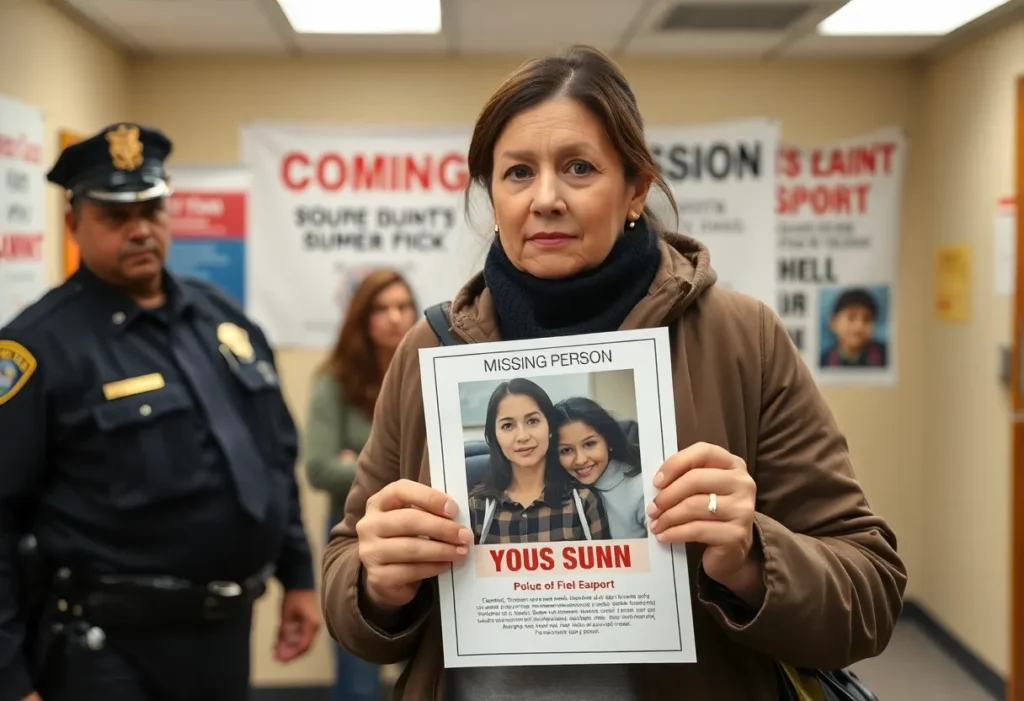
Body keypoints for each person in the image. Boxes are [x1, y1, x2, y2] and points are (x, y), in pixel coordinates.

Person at [321, 46, 907, 700]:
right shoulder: (430, 347)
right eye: (517, 173)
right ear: (493, 194)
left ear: (634, 188)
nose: (545, 199)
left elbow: (871, 591)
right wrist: (377, 582)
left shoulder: (742, 338)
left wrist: (750, 558)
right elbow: (348, 589)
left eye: (578, 167)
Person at [0, 123, 319, 701]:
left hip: (222, 633)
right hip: (106, 649)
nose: (141, 230)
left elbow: (271, 455)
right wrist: (9, 678)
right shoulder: (38, 347)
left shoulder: (219, 316)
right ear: (74, 224)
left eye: (152, 209)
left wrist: (297, 572)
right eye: (117, 217)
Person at [303, 268, 416, 701]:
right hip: (354, 526)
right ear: (362, 317)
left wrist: (359, 462)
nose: (394, 317)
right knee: (359, 666)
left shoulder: (427, 367)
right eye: (382, 308)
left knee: (427, 655)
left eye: (403, 306)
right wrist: (399, 469)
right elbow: (318, 468)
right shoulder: (336, 380)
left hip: (424, 526)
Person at [467, 379, 607, 545]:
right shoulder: (477, 507)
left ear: (549, 427)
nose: (523, 436)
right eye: (507, 425)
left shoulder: (583, 500)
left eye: (532, 421)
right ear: (495, 436)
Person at [554, 396, 647, 539]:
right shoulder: (561, 491)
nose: (580, 460)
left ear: (608, 440)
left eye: (589, 444)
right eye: (566, 450)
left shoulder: (642, 488)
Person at [819, 287, 888, 368]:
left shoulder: (886, 356)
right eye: (851, 317)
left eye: (867, 319)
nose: (859, 326)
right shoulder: (824, 361)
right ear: (833, 323)